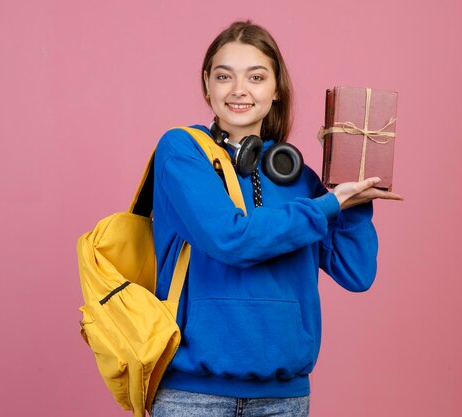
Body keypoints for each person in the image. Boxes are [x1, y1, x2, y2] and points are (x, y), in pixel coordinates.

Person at [150, 20, 403, 417]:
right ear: (206, 85)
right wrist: (327, 205)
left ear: (275, 90)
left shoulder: (300, 180)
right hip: (191, 396)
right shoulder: (182, 153)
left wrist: (351, 192)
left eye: (256, 76)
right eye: (223, 76)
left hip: (284, 399)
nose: (238, 90)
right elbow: (229, 238)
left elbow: (357, 273)